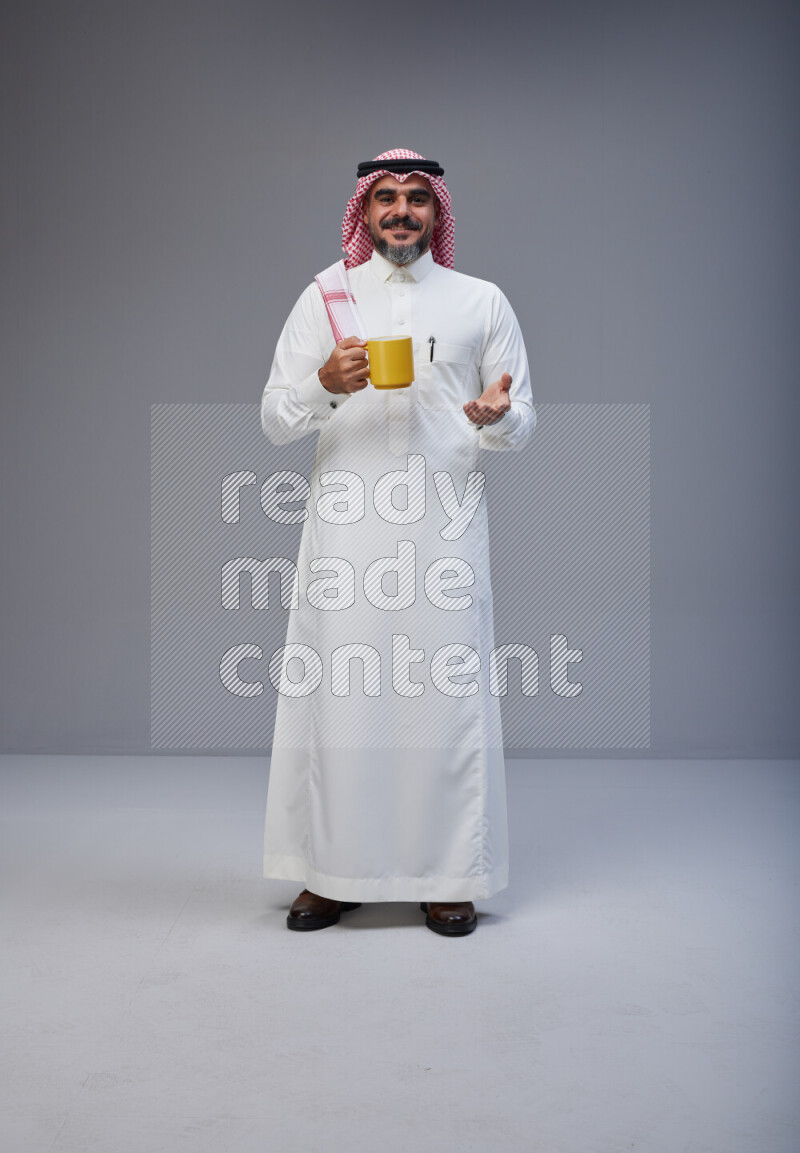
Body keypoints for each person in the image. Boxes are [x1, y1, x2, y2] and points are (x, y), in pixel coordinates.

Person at [260, 148, 535, 936]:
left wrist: (496, 418)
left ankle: (449, 874)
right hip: (347, 535)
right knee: (342, 700)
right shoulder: (326, 297)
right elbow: (275, 417)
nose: (402, 211)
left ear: (438, 211)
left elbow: (525, 420)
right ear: (365, 210)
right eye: (386, 198)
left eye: (418, 198)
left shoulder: (482, 301)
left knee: (442, 702)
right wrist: (324, 385)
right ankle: (331, 872)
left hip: (444, 535)